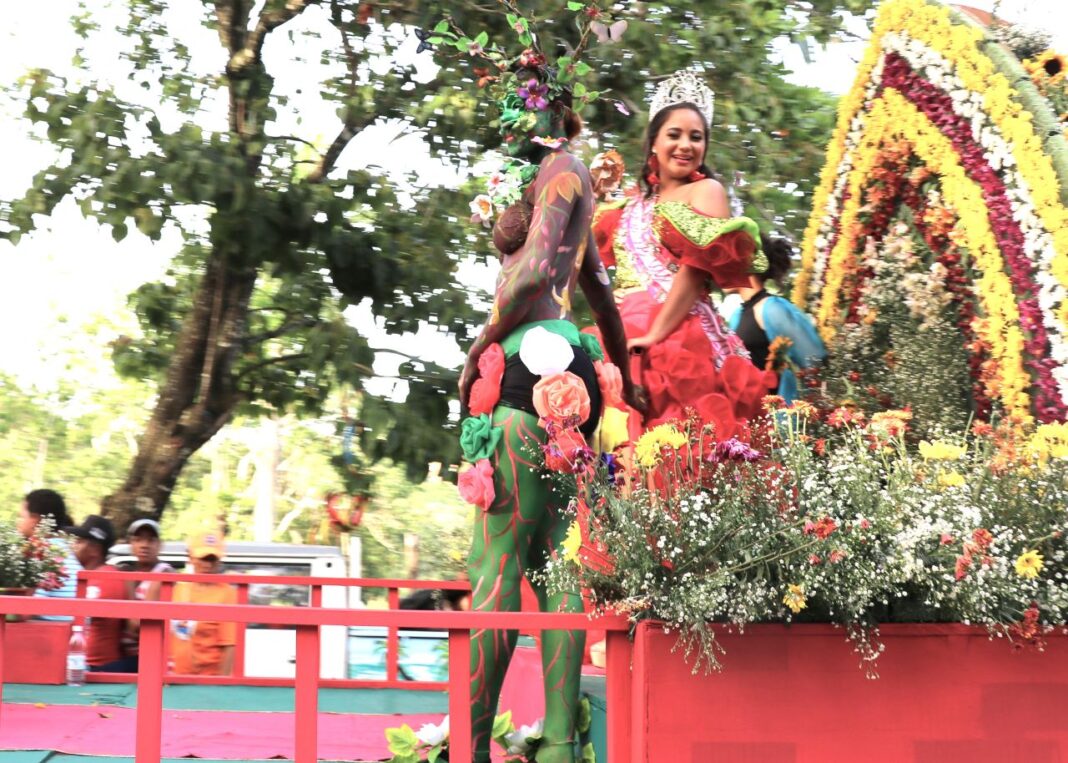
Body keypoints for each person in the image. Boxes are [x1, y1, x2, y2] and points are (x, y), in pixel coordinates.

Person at [456, 56, 640, 762]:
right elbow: (598, 286)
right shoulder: (571, 177)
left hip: (526, 373)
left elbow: (536, 269)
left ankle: (473, 748)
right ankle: (562, 745)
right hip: (573, 366)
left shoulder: (560, 170)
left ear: (556, 112)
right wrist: (623, 370)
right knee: (557, 569)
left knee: (500, 568)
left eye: (524, 104)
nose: (512, 119)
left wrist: (480, 346)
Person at [591, 70, 774, 440]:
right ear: (654, 144)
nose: (685, 145)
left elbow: (695, 269)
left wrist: (655, 335)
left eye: (697, 137)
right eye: (674, 135)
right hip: (621, 333)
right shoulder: (630, 206)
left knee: (680, 450)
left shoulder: (706, 190)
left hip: (681, 340)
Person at [726, 236, 827, 403]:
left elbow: (813, 362)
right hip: (753, 418)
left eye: (726, 263)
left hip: (781, 419)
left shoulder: (772, 308)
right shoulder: (737, 315)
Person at [65, 515, 133, 672]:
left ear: (95, 549)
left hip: (97, 667)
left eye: (80, 541)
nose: (74, 545)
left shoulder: (104, 577)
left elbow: (79, 614)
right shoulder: (94, 576)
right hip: (86, 664)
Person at [169, 530, 237, 676]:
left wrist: (222, 686)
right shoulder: (178, 589)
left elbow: (229, 644)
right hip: (176, 678)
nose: (207, 565)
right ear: (191, 557)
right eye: (203, 558)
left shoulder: (227, 593)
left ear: (219, 561)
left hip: (208, 680)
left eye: (212, 559)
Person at [118, 518, 175, 670]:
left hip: (151, 659)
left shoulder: (164, 572)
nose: (144, 545)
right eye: (138, 540)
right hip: (129, 656)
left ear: (160, 545)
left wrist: (128, 584)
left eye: (151, 540)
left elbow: (136, 624)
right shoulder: (129, 570)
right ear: (131, 544)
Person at [18, 489, 81, 621]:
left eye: (21, 516)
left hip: (51, 634)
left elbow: (26, 611)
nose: (18, 522)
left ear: (35, 520)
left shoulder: (41, 554)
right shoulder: (63, 550)